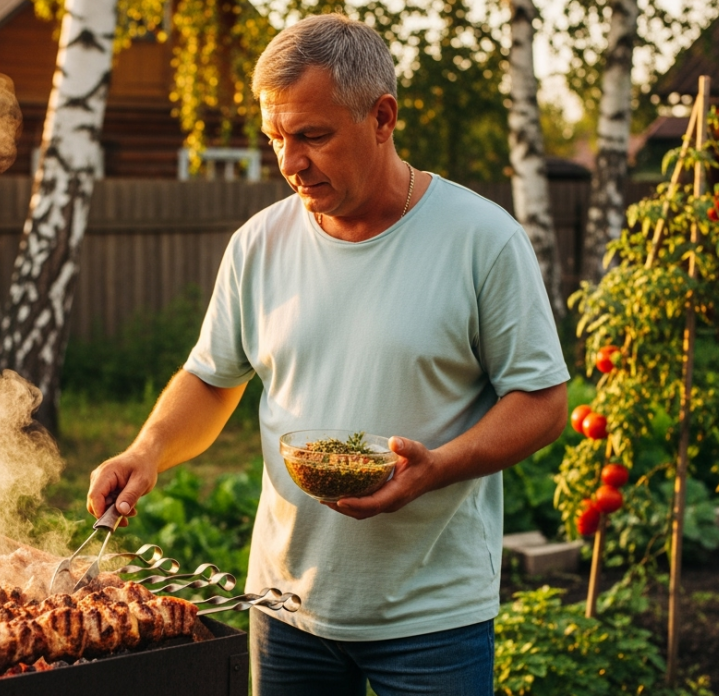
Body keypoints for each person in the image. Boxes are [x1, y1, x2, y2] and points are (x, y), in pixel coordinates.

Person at [86, 13, 568, 695]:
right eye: (276, 137)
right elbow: (212, 378)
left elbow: (542, 402)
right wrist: (148, 450)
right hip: (286, 613)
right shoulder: (258, 244)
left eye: (312, 135)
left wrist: (438, 469)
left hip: (433, 617)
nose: (289, 162)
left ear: (382, 117)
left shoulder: (482, 238)